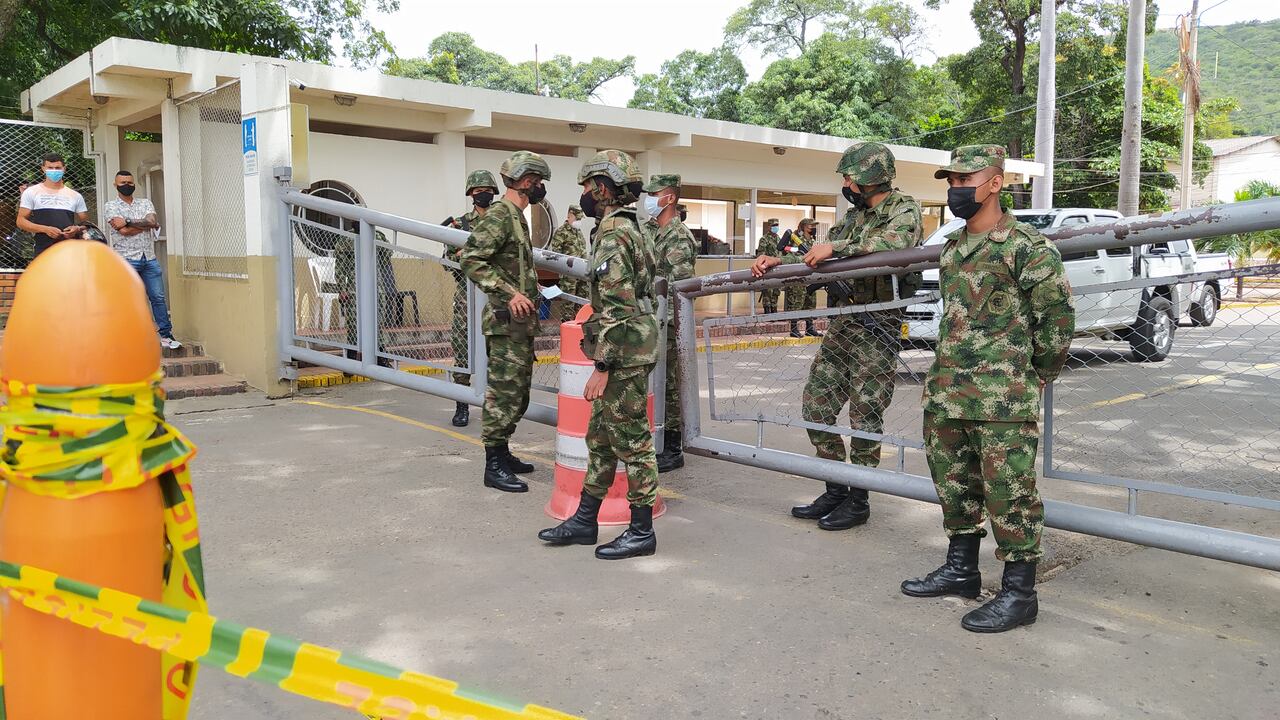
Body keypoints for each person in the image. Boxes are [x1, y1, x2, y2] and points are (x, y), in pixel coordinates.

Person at [901, 144, 1074, 633]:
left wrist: (1036, 373)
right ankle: (961, 571)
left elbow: (1057, 318)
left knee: (1009, 494)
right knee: (954, 487)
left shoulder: (1027, 246)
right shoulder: (953, 247)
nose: (956, 190)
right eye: (951, 182)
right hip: (948, 391)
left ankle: (1019, 594)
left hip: (1002, 396)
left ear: (995, 183)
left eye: (965, 180)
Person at [756, 142, 924, 531]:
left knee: (865, 413)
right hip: (845, 322)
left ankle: (858, 499)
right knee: (816, 405)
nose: (846, 184)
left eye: (850, 177)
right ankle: (835, 487)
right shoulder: (853, 216)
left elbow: (896, 243)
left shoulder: (904, 209)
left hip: (878, 325)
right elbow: (821, 255)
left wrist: (837, 247)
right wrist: (782, 261)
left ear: (872, 175)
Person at [538, 149, 661, 560]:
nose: (586, 194)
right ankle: (585, 519)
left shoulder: (613, 232)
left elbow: (617, 304)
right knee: (602, 437)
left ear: (604, 188)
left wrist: (604, 364)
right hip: (631, 342)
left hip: (623, 350)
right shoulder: (634, 226)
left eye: (589, 186)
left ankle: (641, 531)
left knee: (633, 442)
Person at [459, 153, 550, 493]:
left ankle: (503, 452)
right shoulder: (500, 215)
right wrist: (510, 293)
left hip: (519, 324)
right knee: (503, 394)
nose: (540, 189)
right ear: (526, 182)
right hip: (504, 323)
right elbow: (472, 259)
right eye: (538, 183)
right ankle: (493, 465)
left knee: (517, 394)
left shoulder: (516, 217)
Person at [643, 174, 697, 473]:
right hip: (649, 319)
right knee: (654, 382)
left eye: (655, 194)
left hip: (669, 324)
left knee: (669, 386)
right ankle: (656, 437)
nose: (649, 199)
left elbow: (679, 286)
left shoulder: (678, 237)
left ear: (670, 198)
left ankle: (673, 447)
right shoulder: (652, 230)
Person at [445, 169, 500, 427]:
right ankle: (462, 405)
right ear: (471, 194)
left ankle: (495, 406)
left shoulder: (503, 220)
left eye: (487, 190)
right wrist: (464, 256)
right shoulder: (460, 225)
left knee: (497, 352)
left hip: (496, 296)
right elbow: (449, 260)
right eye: (479, 191)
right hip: (466, 297)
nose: (483, 195)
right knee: (463, 351)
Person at [104, 170, 179, 349]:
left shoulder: (145, 203)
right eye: (122, 183)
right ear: (115, 185)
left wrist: (128, 221)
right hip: (126, 260)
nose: (127, 185)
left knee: (158, 297)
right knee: (128, 300)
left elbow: (152, 221)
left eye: (130, 182)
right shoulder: (111, 206)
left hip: (149, 258)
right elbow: (123, 231)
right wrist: (144, 225)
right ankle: (130, 336)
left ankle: (166, 336)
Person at [16, 153, 89, 259]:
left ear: (64, 169)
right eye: (50, 168)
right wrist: (45, 229)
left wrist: (76, 229)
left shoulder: (75, 195)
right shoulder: (31, 192)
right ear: (43, 168)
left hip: (69, 250)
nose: (54, 171)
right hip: (42, 249)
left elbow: (86, 224)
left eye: (58, 168)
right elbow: (21, 221)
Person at [546, 204, 589, 323]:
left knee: (582, 304)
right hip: (568, 276)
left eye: (580, 219)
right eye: (577, 218)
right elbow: (556, 255)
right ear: (569, 216)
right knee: (568, 305)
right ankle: (567, 326)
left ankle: (579, 326)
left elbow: (582, 251)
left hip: (581, 274)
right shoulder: (561, 232)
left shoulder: (578, 232)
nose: (579, 221)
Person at [780, 218, 821, 338]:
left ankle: (809, 328)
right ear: (804, 227)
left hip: (810, 276)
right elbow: (786, 251)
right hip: (798, 276)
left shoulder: (812, 240)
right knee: (796, 303)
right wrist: (797, 250)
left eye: (814, 226)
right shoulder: (796, 240)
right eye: (811, 226)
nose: (813, 228)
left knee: (810, 303)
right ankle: (794, 329)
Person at [754, 218, 782, 314]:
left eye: (777, 225)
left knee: (776, 291)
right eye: (773, 226)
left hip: (778, 268)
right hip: (767, 269)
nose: (775, 227)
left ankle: (774, 311)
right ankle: (767, 312)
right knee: (767, 291)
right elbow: (761, 255)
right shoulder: (764, 239)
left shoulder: (779, 239)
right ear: (769, 227)